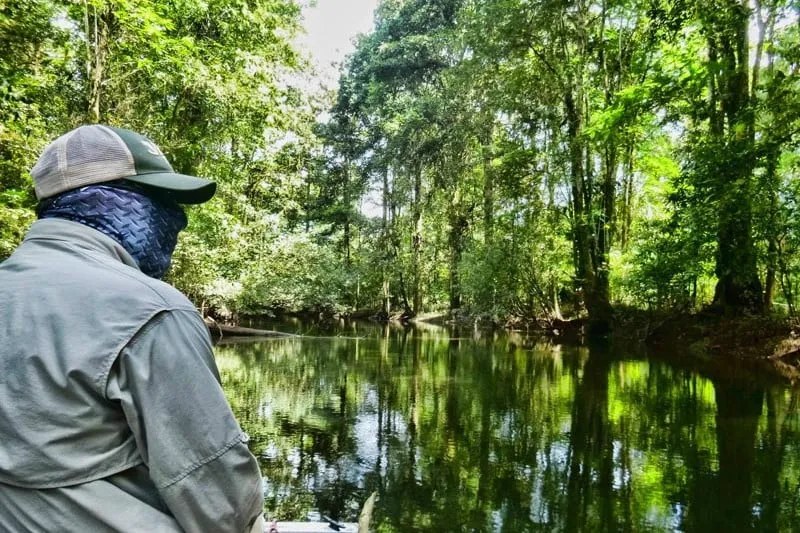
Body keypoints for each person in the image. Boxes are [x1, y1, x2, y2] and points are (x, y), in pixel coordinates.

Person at [0, 125, 265, 532]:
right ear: (111, 201)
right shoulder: (152, 310)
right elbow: (222, 505)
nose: (177, 218)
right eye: (159, 198)